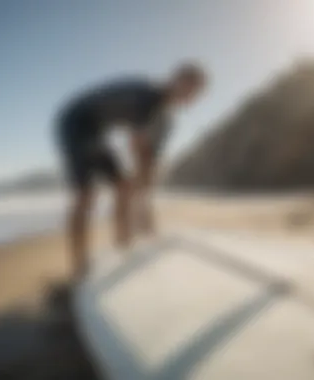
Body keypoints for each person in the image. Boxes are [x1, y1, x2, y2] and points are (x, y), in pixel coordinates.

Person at [55, 62, 207, 280]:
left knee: (124, 187)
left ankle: (123, 247)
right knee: (86, 195)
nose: (190, 95)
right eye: (188, 86)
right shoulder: (146, 96)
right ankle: (79, 266)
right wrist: (144, 209)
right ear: (174, 79)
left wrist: (146, 202)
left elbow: (149, 165)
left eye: (196, 92)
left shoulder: (166, 122)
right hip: (74, 121)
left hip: (97, 131)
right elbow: (137, 149)